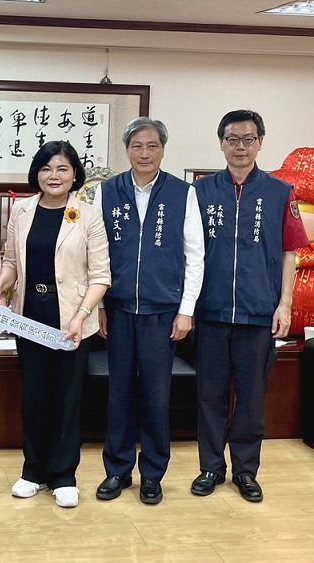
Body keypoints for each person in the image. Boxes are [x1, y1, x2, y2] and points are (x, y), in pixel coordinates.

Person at [0, 141, 110, 508]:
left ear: (74, 175)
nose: (54, 176)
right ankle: (33, 471)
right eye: (46, 169)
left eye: (62, 169)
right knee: (35, 396)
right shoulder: (22, 210)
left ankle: (64, 475)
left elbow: (100, 276)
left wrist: (81, 316)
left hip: (72, 320)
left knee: (67, 398)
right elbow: (11, 263)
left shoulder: (88, 215)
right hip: (30, 318)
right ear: (36, 173)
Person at [190, 109, 308, 502]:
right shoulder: (201, 192)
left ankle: (245, 470)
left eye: (248, 139)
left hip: (259, 313)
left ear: (260, 143)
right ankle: (211, 467)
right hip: (211, 311)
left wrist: (284, 305)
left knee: (252, 397)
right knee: (209, 395)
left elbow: (291, 252)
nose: (240, 146)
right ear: (221, 143)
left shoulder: (279, 193)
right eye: (232, 139)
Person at [92, 117, 205, 505]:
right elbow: (97, 254)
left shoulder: (183, 193)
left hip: (163, 312)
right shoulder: (107, 191)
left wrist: (186, 310)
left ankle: (153, 474)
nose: (144, 153)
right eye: (137, 146)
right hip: (119, 309)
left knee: (157, 396)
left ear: (163, 150)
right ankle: (117, 470)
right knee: (118, 393)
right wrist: (100, 306)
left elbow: (195, 255)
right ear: (126, 150)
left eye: (152, 145)